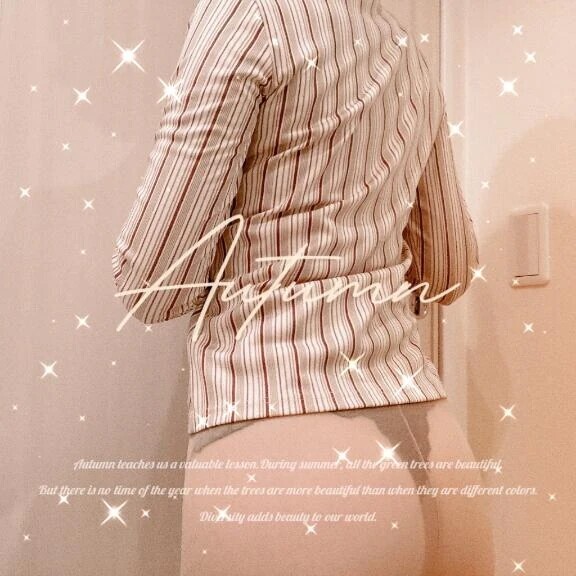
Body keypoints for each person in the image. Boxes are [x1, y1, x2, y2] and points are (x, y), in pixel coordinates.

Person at [112, 0, 494, 574]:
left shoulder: (247, 18)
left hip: (287, 457)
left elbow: (151, 284)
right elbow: (449, 270)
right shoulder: (404, 51)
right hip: (437, 453)